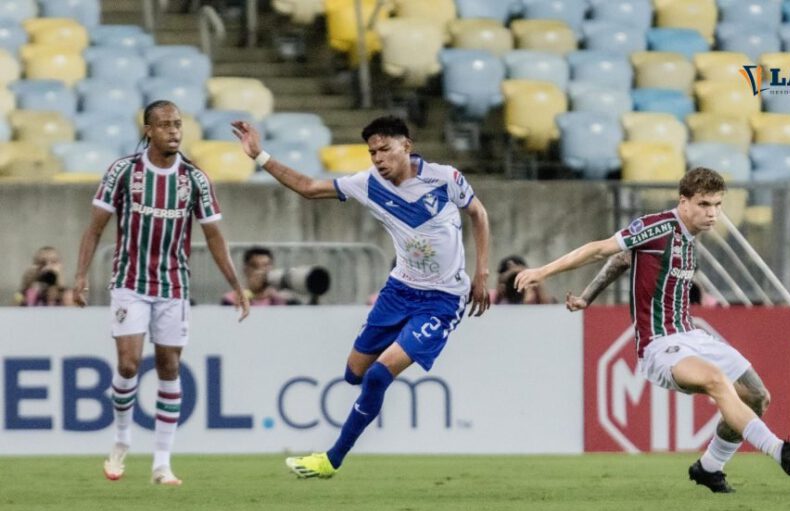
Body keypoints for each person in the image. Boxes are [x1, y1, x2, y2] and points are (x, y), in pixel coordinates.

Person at [515, 167, 790, 493]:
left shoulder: (689, 239)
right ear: (683, 202)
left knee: (757, 396)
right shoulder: (656, 227)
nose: (711, 213)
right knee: (716, 380)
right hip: (661, 344)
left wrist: (587, 297)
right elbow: (602, 249)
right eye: (703, 204)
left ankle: (709, 468)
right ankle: (779, 451)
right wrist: (544, 271)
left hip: (693, 335)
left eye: (716, 205)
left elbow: (622, 261)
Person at [231, 115, 491, 479]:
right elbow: (307, 186)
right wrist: (260, 155)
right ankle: (365, 403)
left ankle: (331, 459)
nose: (379, 158)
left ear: (407, 146)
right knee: (354, 373)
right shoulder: (366, 184)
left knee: (377, 377)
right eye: (372, 153)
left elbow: (478, 213)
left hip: (443, 300)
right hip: (398, 291)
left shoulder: (444, 178)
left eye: (385, 149)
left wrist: (481, 271)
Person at [72, 100, 250, 486]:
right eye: (166, 125)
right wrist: (81, 275)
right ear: (148, 129)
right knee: (128, 365)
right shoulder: (124, 172)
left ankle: (162, 463)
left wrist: (236, 284)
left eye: (178, 125)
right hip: (129, 281)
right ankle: (121, 440)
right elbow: (94, 229)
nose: (174, 132)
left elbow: (214, 236)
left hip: (173, 284)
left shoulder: (195, 179)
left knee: (169, 367)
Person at [221, 246, 292, 306]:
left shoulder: (283, 301)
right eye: (255, 266)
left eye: (266, 266)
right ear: (245, 270)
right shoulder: (231, 300)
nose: (260, 271)